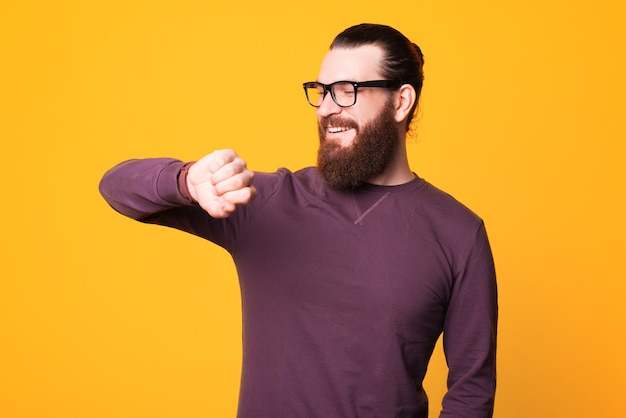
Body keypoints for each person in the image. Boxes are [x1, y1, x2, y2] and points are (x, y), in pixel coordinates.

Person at [99, 23, 498, 418]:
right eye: (322, 91)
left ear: (401, 101)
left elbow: (472, 391)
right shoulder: (265, 201)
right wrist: (185, 180)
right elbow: (116, 187)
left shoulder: (458, 233)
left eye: (347, 91)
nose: (326, 108)